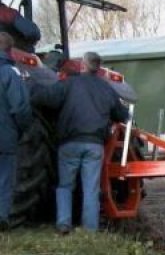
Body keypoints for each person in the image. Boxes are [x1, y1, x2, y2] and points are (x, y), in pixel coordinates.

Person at [32, 51, 128, 234]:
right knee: (91, 188)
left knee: (65, 185)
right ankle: (90, 230)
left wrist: (33, 85)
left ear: (83, 65)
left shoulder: (69, 83)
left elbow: (46, 98)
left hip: (70, 144)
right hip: (94, 146)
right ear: (98, 68)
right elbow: (122, 114)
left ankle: (63, 224)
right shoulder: (106, 88)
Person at [0, 32, 32, 230]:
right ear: (10, 50)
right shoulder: (10, 73)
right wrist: (22, 130)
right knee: (4, 178)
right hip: (5, 137)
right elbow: (20, 107)